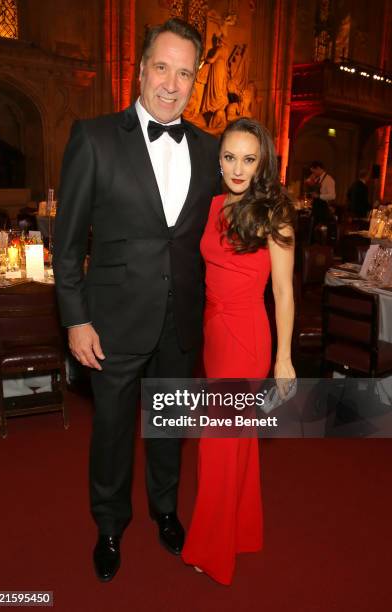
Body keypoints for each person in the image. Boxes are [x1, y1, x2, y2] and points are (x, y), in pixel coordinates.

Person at [53, 18, 220, 582]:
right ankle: (109, 524)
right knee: (114, 432)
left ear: (194, 81)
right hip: (114, 322)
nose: (172, 84)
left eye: (185, 73)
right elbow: (68, 244)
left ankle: (166, 510)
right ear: (140, 69)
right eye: (161, 68)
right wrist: (76, 320)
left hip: (181, 322)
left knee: (170, 427)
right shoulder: (94, 137)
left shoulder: (210, 149)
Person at [181, 117, 296, 585]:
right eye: (230, 157)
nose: (238, 168)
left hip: (246, 334)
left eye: (249, 159)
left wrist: (284, 359)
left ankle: (212, 549)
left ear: (263, 162)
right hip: (214, 330)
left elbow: (285, 292)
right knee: (237, 441)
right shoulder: (211, 205)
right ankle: (243, 531)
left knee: (218, 445)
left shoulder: (274, 212)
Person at [306, 160, 336, 229]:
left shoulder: (329, 180)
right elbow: (307, 182)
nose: (313, 173)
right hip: (316, 209)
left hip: (323, 210)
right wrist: (311, 179)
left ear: (318, 168)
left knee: (318, 232)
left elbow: (332, 196)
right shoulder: (316, 179)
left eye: (313, 171)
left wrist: (319, 196)